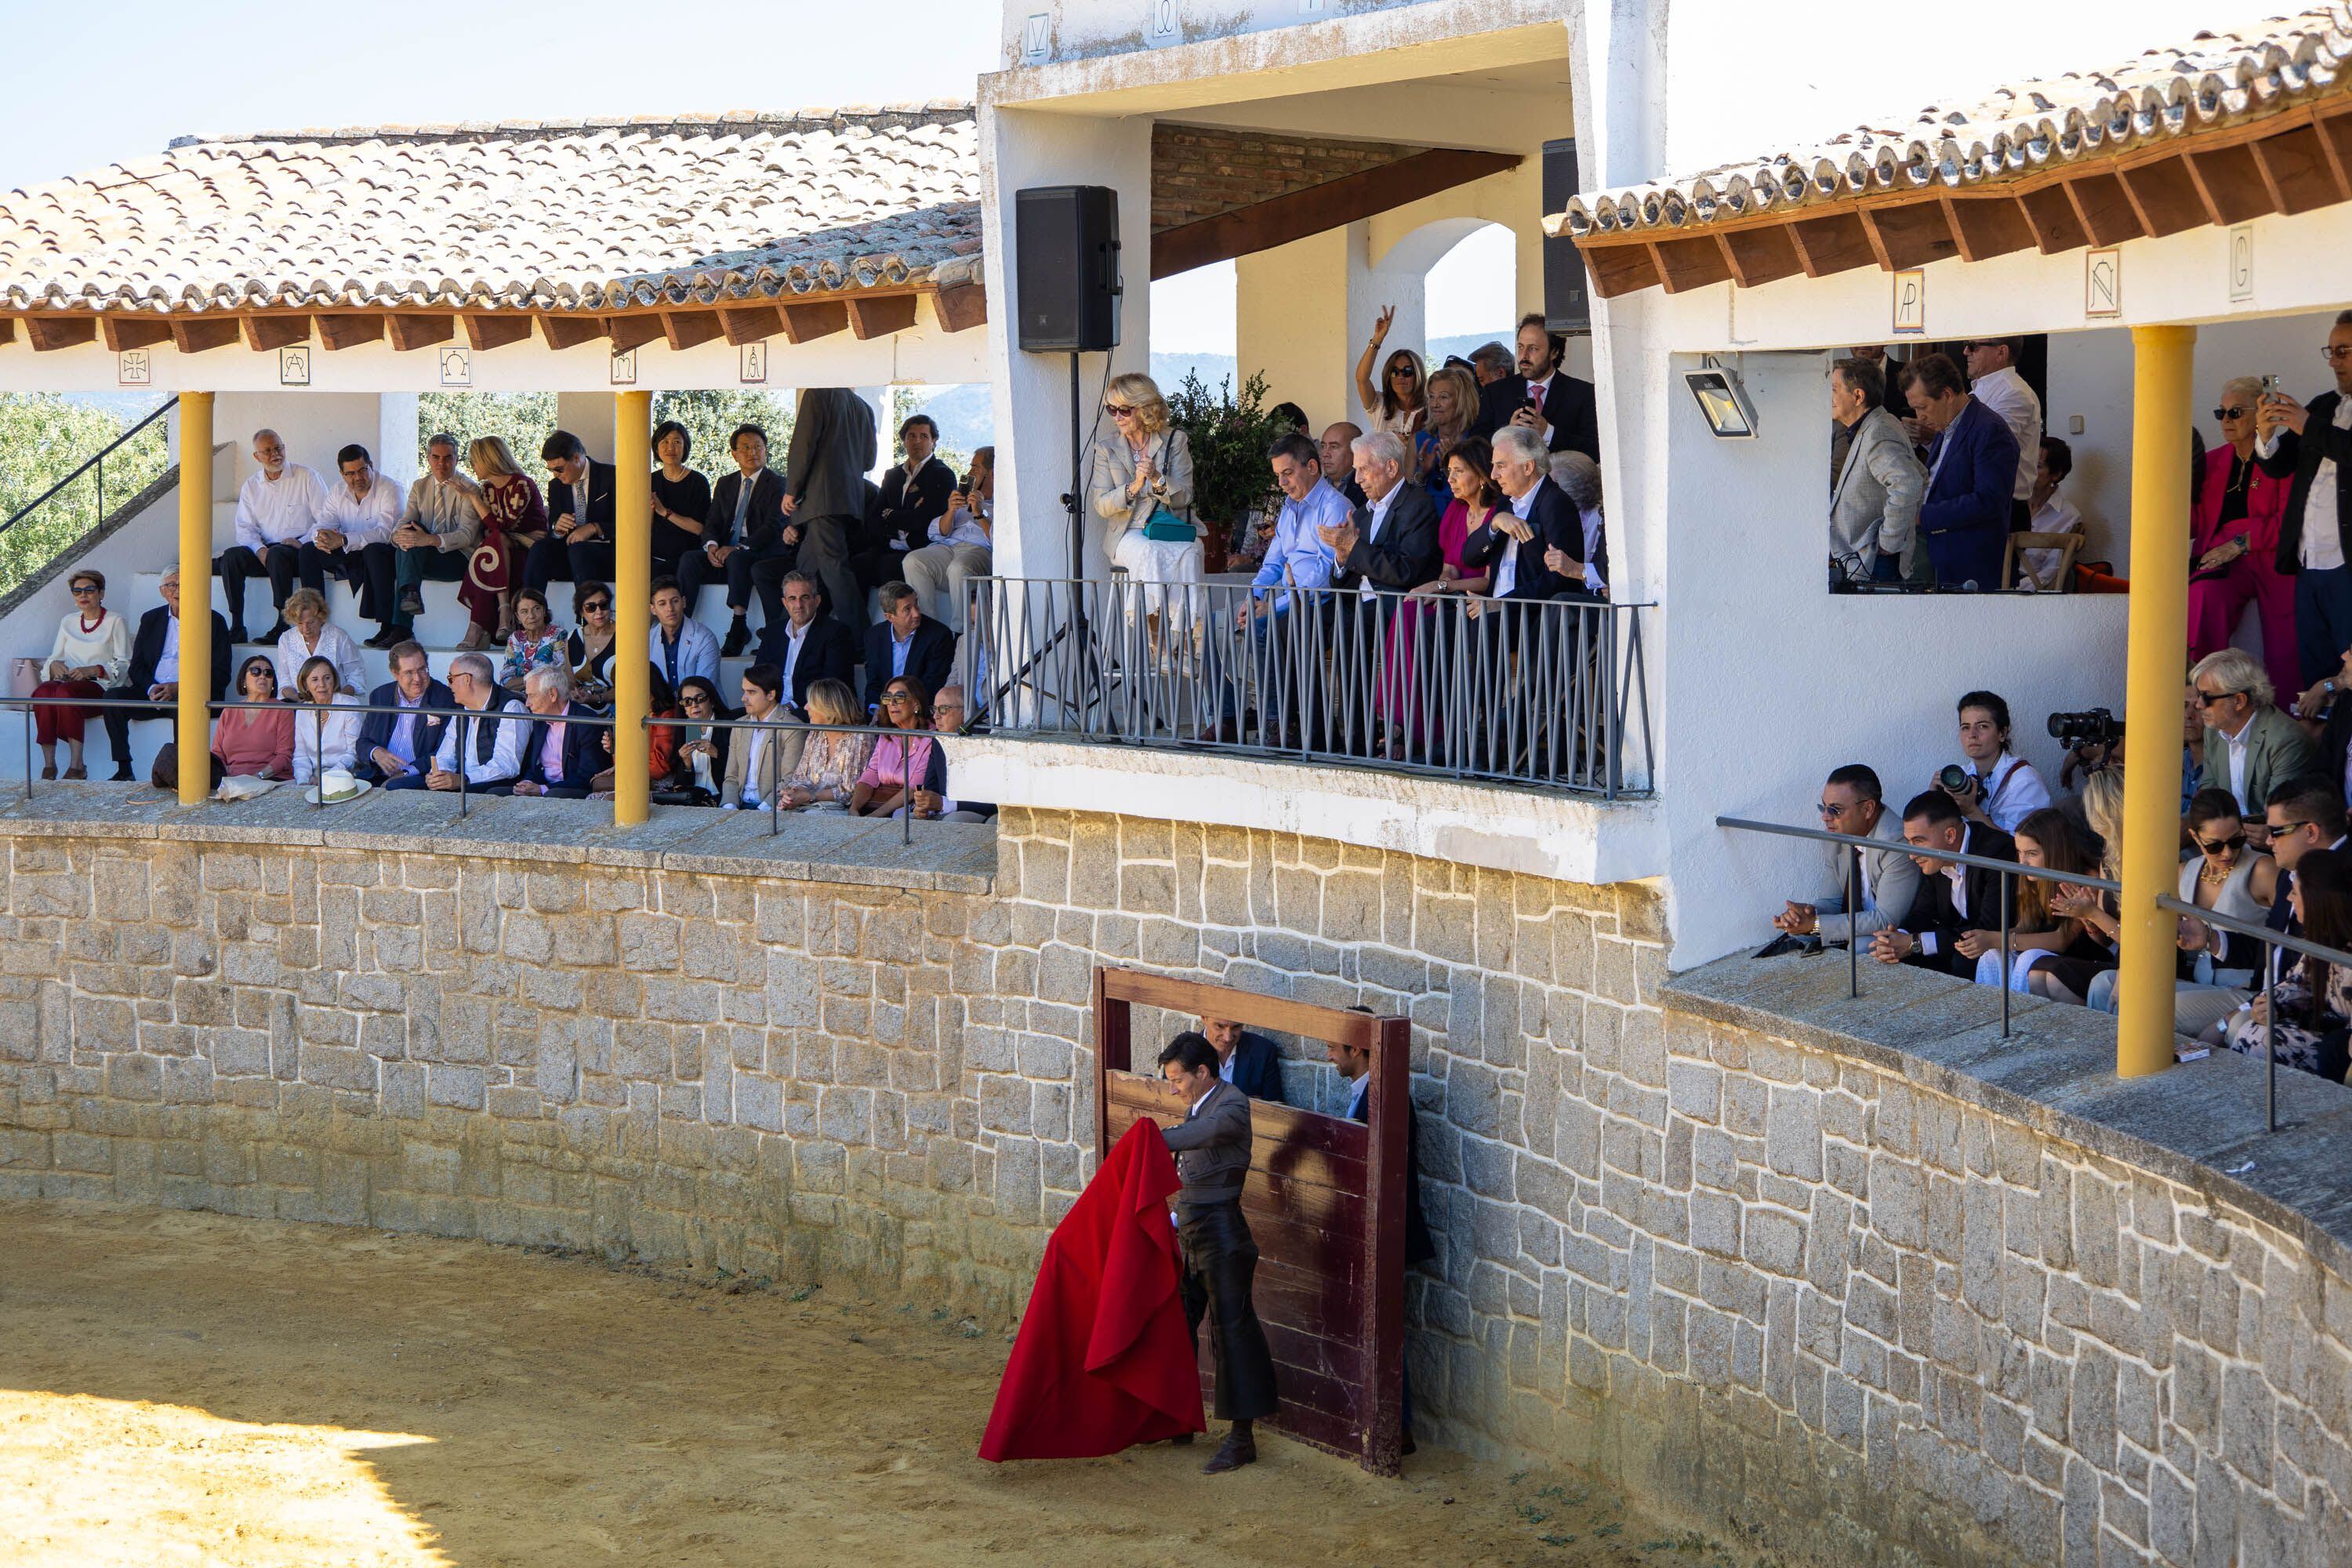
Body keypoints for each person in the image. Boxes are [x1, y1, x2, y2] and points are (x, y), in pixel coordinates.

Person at [1152, 1030, 1279, 1475]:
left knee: (1232, 1333)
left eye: (1177, 1079)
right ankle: (1180, 1418)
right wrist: (1174, 1219)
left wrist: (1158, 1138)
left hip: (1223, 1236)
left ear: (1203, 1072)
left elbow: (1207, 1134)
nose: (1173, 1089)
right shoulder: (1199, 1103)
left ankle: (1243, 1440)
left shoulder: (1232, 1104)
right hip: (1193, 1235)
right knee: (1177, 1325)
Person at [2256, 308, 2352, 685]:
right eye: (2331, 351)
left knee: (2349, 672)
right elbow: (2281, 465)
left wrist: (2306, 425)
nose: (2334, 362)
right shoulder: (2324, 405)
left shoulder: (2314, 418)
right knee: (2315, 673)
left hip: (2347, 563)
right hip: (2309, 559)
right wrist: (2266, 436)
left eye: (2343, 351)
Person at [1231, 434, 1342, 742]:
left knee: (1263, 627)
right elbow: (1272, 564)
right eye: (1278, 475)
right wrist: (1252, 597)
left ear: (1312, 467)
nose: (1281, 483)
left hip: (1321, 602)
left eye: (1288, 473)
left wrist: (1273, 606)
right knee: (1221, 625)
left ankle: (1278, 721)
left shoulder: (1333, 506)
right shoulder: (1290, 508)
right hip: (1287, 600)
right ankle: (1228, 719)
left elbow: (1325, 574)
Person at [2189, 381, 2296, 696]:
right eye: (2220, 413)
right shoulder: (2212, 461)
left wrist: (2239, 544)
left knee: (2287, 643)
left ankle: (2289, 715)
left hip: (2270, 555)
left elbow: (2290, 522)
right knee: (2204, 594)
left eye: (2235, 412)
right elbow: (2194, 525)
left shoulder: (2284, 459)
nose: (2226, 420)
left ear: (2261, 414)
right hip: (2221, 559)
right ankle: (2202, 694)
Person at [2215, 847, 2352, 1079]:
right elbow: (2298, 982)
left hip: (2341, 1052)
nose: (2289, 898)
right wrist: (2271, 1005)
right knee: (2251, 1028)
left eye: (2295, 893)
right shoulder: (2323, 939)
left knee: (2256, 1037)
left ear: (2316, 902)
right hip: (2330, 1037)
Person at [1091, 372, 1200, 652]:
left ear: (1144, 408)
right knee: (1150, 551)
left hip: (1167, 526)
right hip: (1127, 532)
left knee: (1191, 552)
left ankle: (1185, 642)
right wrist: (1132, 488)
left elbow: (1185, 497)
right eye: (1111, 409)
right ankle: (1159, 644)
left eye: (1124, 410)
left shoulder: (1174, 440)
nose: (1117, 416)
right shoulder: (1106, 448)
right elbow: (1101, 505)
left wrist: (1157, 479)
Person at [1967, 805, 2114, 1002]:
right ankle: (1991, 1013)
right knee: (1992, 955)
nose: (2023, 862)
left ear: (2055, 851)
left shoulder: (2086, 877)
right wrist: (1984, 940)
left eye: (2031, 854)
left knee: (2029, 957)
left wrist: (1996, 938)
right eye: (2019, 852)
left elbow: (2062, 940)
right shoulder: (2032, 877)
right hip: (2052, 960)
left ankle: (2018, 1014)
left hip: (2085, 960)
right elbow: (2027, 926)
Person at [1901, 352, 2020, 590]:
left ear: (1947, 395)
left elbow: (1988, 500)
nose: (1919, 417)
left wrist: (1923, 516)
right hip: (1940, 558)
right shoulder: (1946, 428)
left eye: (1923, 407)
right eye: (1914, 409)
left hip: (1971, 565)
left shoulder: (1990, 429)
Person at [102, 566, 231, 782]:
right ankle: (124, 769)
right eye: (172, 585)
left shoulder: (213, 621)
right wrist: (152, 688)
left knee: (186, 705)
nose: (177, 590)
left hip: (191, 694)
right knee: (112, 698)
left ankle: (182, 772)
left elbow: (221, 673)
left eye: (183, 585)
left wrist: (180, 687)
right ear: (162, 591)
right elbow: (137, 666)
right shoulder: (151, 619)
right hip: (154, 692)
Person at [1867, 790, 2016, 975]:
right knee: (1894, 958)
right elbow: (1923, 911)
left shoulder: (1996, 853)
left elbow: (1988, 928)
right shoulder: (1937, 857)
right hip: (1956, 944)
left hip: (2000, 950)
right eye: (1910, 842)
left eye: (1919, 841)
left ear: (1950, 836)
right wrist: (1897, 938)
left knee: (1963, 961)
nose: (1912, 855)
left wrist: (1915, 943)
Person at [1773, 764, 1920, 942]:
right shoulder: (1834, 838)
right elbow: (1832, 901)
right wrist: (1805, 916)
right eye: (1824, 807)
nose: (1825, 817)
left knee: (1861, 947)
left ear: (1868, 809)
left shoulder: (1896, 842)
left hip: (1900, 933)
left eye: (1835, 810)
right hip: (1861, 924)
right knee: (1801, 936)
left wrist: (1815, 925)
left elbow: (1886, 919)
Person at [683, 423, 791, 655]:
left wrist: (739, 548)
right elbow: (712, 521)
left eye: (758, 447)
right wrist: (712, 546)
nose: (753, 452)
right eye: (746, 448)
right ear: (734, 454)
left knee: (737, 558)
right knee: (690, 560)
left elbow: (773, 526)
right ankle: (682, 624)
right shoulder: (725, 483)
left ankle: (738, 625)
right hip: (725, 550)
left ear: (766, 450)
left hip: (760, 551)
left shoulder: (778, 483)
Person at [782, 387, 880, 636]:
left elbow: (803, 446)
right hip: (849, 501)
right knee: (804, 572)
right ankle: (788, 634)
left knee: (836, 570)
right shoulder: (863, 408)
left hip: (820, 499)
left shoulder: (817, 394)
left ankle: (861, 638)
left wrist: (792, 490)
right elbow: (869, 461)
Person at [215, 428, 326, 642]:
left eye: (278, 448)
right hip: (267, 552)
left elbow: (326, 519)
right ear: (257, 456)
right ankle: (237, 625)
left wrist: (302, 542)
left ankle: (283, 623)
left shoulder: (307, 476)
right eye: (268, 451)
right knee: (231, 557)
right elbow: (245, 527)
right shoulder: (251, 486)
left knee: (277, 554)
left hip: (298, 552)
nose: (275, 454)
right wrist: (259, 549)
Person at [1828, 354, 1925, 586]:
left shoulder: (1879, 430)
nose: (1828, 397)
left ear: (1858, 396)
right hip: (1868, 560)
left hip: (1876, 562)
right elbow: (1920, 474)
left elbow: (1909, 484)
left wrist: (1889, 542)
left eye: (1834, 389)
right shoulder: (1874, 426)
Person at [28, 569, 132, 780]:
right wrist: (54, 666)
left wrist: (95, 669)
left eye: (89, 590)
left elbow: (125, 663)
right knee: (43, 692)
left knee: (66, 693)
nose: (83, 595)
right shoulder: (68, 621)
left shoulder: (115, 620)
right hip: (68, 682)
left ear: (101, 593)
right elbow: (54, 657)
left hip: (99, 686)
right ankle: (49, 765)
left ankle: (77, 765)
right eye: (77, 591)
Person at [302, 442, 404, 646]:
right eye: (350, 473)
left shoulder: (390, 488)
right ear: (342, 474)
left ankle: (388, 627)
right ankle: (313, 618)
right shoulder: (337, 491)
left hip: (382, 552)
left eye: (362, 470)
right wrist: (321, 538)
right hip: (350, 550)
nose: (358, 478)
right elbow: (324, 523)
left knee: (374, 551)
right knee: (308, 551)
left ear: (371, 466)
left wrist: (344, 539)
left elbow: (386, 533)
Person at [2193, 648, 2317, 813]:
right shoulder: (2214, 731)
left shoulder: (2286, 740)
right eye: (2198, 695)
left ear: (2239, 701)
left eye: (2207, 697)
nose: (2199, 705)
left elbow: (2278, 816)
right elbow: (2209, 797)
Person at [388, 432, 482, 639]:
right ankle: (409, 597)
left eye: (448, 457)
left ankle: (401, 628)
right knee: (408, 535)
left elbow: (467, 535)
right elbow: (407, 519)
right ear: (428, 458)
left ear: (456, 459)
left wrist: (429, 540)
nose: (442, 463)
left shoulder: (469, 488)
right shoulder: (420, 486)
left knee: (410, 545)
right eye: (436, 457)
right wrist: (397, 536)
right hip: (426, 556)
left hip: (459, 559)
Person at [389, 652, 526, 793]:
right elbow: (445, 754)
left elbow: (506, 766)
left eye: (451, 679)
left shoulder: (511, 708)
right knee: (396, 787)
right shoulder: (461, 708)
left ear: (466, 679)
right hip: (459, 782)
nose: (449, 685)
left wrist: (462, 780)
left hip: (489, 784)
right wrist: (439, 776)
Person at [1472, 313, 1601, 462]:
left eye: (1533, 349)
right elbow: (1475, 444)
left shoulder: (1583, 394)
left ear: (1554, 352)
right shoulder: (1495, 392)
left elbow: (1594, 450)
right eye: (1520, 347)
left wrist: (1548, 432)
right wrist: (1506, 434)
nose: (1524, 356)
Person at [459, 435, 547, 652]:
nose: (473, 465)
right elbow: (492, 530)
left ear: (488, 459)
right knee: (489, 554)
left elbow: (502, 525)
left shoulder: (522, 484)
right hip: (504, 549)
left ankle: (480, 626)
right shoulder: (488, 488)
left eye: (475, 460)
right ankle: (499, 615)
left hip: (530, 549)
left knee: (491, 551)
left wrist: (473, 499)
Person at [860, 415, 957, 602]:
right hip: (889, 544)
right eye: (911, 436)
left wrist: (890, 515)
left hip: (921, 549)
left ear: (934, 442)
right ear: (904, 441)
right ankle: (860, 621)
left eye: (924, 436)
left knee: (888, 567)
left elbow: (924, 519)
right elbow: (875, 516)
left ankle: (906, 619)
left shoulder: (942, 475)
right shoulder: (893, 475)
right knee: (857, 564)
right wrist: (899, 519)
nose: (917, 441)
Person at [903, 444, 993, 636]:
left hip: (979, 551)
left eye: (975, 467)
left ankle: (961, 633)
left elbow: (998, 540)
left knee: (958, 568)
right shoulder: (963, 499)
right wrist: (952, 510)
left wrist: (979, 512)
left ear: (991, 474)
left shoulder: (1005, 502)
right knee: (913, 561)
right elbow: (939, 533)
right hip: (948, 547)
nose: (970, 472)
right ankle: (929, 633)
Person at [1939, 690, 2052, 834]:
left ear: (2002, 733)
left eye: (1982, 726)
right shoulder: (1961, 776)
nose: (1972, 735)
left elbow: (2023, 845)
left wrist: (1972, 812)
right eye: (1965, 727)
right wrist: (1935, 799)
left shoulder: (2024, 780)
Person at [524, 430, 617, 601]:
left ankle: (587, 612)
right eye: (551, 470)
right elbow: (554, 526)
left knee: (579, 550)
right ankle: (530, 608)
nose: (555, 475)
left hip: (606, 552)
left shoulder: (612, 476)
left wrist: (595, 527)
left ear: (576, 458)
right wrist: (557, 529)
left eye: (559, 469)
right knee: (540, 548)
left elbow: (629, 523)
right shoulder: (556, 486)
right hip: (571, 554)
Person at [1961, 338, 2042, 531]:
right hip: (1981, 503)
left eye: (1974, 346)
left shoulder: (2014, 393)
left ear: (2001, 352)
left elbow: (1988, 448)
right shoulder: (1978, 391)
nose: (1966, 352)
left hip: (2003, 508)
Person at [753, 572, 856, 720]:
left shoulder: (836, 632)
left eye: (805, 597)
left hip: (814, 710)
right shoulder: (773, 631)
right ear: (785, 603)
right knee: (733, 721)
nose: (799, 605)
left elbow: (832, 684)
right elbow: (758, 676)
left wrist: (788, 708)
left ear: (817, 600)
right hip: (774, 709)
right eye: (792, 598)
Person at [356, 641, 451, 786]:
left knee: (394, 787)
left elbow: (444, 751)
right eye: (409, 673)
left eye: (422, 669)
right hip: (378, 774)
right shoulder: (380, 696)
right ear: (395, 673)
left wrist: (407, 772)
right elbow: (362, 742)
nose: (418, 678)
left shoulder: (444, 698)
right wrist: (376, 752)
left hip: (421, 775)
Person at [862, 582, 956, 719]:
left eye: (916, 604)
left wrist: (904, 709)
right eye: (907, 609)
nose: (916, 613)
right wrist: (878, 712)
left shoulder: (938, 635)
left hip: (919, 714)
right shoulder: (874, 636)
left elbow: (933, 683)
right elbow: (874, 683)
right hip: (885, 713)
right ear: (890, 617)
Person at [852, 677, 942, 818]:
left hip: (913, 811)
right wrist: (854, 809)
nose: (891, 703)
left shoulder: (931, 738)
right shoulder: (886, 736)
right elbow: (870, 775)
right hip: (878, 807)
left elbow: (915, 787)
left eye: (899, 698)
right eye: (887, 698)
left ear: (916, 704)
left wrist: (875, 816)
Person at [777, 677, 870, 811]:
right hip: (808, 806)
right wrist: (793, 795)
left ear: (829, 708)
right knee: (776, 816)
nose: (806, 707)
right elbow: (799, 778)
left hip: (838, 810)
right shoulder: (816, 733)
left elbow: (850, 790)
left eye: (811, 703)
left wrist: (810, 796)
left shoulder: (860, 737)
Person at [510, 665, 601, 799]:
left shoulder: (586, 722)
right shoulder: (539, 720)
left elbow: (588, 776)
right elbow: (534, 766)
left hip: (572, 791)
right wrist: (527, 783)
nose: (527, 703)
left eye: (532, 696)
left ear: (552, 694)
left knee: (553, 794)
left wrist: (543, 789)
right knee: (496, 792)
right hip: (545, 787)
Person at [590, 664, 681, 794]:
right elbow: (623, 762)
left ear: (651, 686)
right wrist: (614, 750)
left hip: (661, 782)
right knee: (597, 785)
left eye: (631, 686)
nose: (627, 693)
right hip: (638, 775)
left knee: (602, 792)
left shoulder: (667, 716)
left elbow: (660, 768)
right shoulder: (630, 714)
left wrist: (626, 767)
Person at [2016, 437, 2086, 593]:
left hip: (2032, 590)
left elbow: (2051, 572)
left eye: (2038, 466)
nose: (2028, 471)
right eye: (2028, 463)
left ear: (2056, 475)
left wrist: (2011, 588)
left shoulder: (2068, 516)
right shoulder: (2011, 504)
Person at [270, 589, 365, 703]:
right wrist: (296, 698)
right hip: (299, 706)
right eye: (300, 623)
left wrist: (336, 700)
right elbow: (284, 680)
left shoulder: (339, 636)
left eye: (310, 622)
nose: (305, 628)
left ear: (321, 617)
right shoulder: (286, 639)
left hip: (336, 705)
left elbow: (356, 676)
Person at [720, 664, 792, 811]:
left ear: (771, 695)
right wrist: (729, 807)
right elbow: (731, 777)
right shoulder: (739, 725)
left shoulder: (792, 727)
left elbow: (790, 780)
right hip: (738, 805)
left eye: (751, 692)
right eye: (744, 691)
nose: (743, 698)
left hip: (771, 809)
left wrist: (761, 811)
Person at [916, 684, 993, 822]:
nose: (935, 716)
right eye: (934, 709)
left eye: (943, 710)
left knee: (952, 820)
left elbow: (993, 800)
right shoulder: (939, 739)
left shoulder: (986, 740)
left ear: (964, 713)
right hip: (945, 810)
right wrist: (925, 806)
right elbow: (931, 787)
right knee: (907, 820)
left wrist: (944, 804)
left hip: (978, 812)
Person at [648, 419, 711, 583]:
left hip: (687, 558)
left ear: (685, 447)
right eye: (665, 442)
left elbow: (699, 529)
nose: (670, 447)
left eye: (677, 442)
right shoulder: (649, 481)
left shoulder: (698, 482)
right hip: (655, 557)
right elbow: (645, 528)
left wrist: (664, 512)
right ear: (656, 447)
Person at [211, 656, 295, 780]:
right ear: (244, 680)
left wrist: (257, 777)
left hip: (270, 779)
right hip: (233, 781)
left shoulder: (283, 710)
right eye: (256, 671)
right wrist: (225, 776)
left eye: (268, 673)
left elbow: (284, 756)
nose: (262, 676)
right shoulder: (229, 711)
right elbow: (218, 753)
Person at [289, 655, 365, 786]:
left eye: (327, 678)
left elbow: (353, 754)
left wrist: (325, 779)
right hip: (313, 778)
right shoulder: (303, 710)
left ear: (334, 680)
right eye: (315, 679)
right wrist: (303, 782)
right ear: (305, 684)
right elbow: (301, 756)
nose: (322, 684)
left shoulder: (349, 705)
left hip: (346, 776)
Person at [1354, 306, 1425, 436]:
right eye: (1394, 372)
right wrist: (1377, 340)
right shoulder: (1380, 405)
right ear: (1388, 376)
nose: (1400, 376)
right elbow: (1361, 379)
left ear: (1418, 374)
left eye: (1407, 371)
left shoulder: (1431, 409)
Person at [1415, 364, 1479, 510]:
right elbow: (1406, 498)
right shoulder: (1420, 440)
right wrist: (1422, 473)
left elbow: (1480, 497)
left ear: (1462, 401)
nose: (1435, 404)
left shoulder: (1476, 442)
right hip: (1424, 519)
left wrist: (1448, 467)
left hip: (1463, 517)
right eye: (1432, 397)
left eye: (1443, 397)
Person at [1549, 451, 1609, 599]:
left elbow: (1605, 572)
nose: (1546, 493)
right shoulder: (1554, 518)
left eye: (1552, 487)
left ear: (1571, 492)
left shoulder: (1603, 519)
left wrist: (1575, 569)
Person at [649, 575, 719, 697]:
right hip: (663, 707)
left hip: (700, 706)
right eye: (662, 604)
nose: (670, 609)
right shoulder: (648, 639)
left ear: (684, 602)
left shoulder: (704, 638)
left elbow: (702, 690)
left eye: (675, 601)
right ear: (653, 609)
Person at [1199, 1016, 1286, 1103]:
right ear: (1204, 1018)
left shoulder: (1263, 1051)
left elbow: (1274, 1105)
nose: (1228, 1038)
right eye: (1220, 1026)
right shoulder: (1190, 1051)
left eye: (1236, 1027)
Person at [499, 587, 567, 695]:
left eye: (536, 609)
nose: (531, 616)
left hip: (548, 696)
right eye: (524, 612)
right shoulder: (515, 639)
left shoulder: (558, 635)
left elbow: (557, 676)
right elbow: (506, 682)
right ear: (518, 616)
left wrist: (522, 680)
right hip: (519, 698)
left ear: (544, 611)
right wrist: (536, 678)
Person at [672, 675, 733, 797]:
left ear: (712, 701)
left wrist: (717, 753)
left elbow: (742, 768)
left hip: (723, 797)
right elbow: (679, 784)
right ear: (684, 709)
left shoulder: (729, 725)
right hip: (695, 798)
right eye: (687, 702)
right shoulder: (684, 729)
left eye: (700, 698)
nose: (694, 705)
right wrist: (687, 764)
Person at [564, 583, 617, 708]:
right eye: (591, 607)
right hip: (582, 708)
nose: (599, 611)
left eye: (603, 605)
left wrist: (596, 698)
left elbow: (630, 686)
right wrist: (574, 694)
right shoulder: (573, 637)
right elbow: (570, 681)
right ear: (581, 612)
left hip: (617, 710)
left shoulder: (624, 636)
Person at [1319, 422, 1367, 508]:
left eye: (1334, 447)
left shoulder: (1367, 488)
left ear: (1355, 451)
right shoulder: (1317, 485)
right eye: (1323, 446)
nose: (1325, 454)